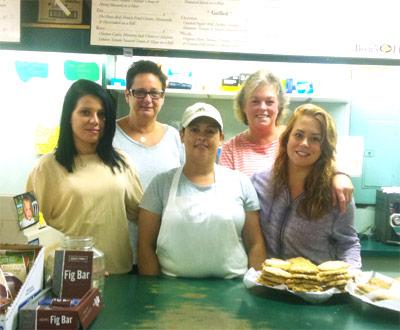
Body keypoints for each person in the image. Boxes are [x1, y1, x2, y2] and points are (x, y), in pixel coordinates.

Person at [26, 79, 143, 274]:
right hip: (69, 278)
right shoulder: (45, 167)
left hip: (118, 274)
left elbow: (142, 214)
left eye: (102, 114)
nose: (95, 120)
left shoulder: (122, 162)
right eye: (85, 112)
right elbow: (28, 227)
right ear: (69, 117)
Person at [138, 102, 267, 278]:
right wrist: (152, 291)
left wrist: (255, 288)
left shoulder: (241, 183)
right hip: (173, 292)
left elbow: (255, 244)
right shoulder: (161, 184)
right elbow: (145, 245)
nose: (202, 137)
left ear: (221, 138)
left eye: (210, 131)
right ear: (182, 135)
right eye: (194, 130)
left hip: (232, 291)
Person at [219, 69, 354, 213]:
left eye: (270, 102)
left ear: (279, 106)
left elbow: (326, 160)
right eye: (255, 101)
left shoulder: (294, 140)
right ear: (243, 106)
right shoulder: (231, 149)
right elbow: (227, 198)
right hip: (245, 231)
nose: (263, 107)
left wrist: (340, 175)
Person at [251, 104, 361, 268]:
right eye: (298, 135)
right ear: (287, 138)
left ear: (324, 147)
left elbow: (348, 244)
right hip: (272, 284)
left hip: (317, 288)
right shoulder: (260, 183)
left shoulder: (336, 194)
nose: (304, 143)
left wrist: (352, 276)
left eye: (315, 139)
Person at [113, 60, 185, 267]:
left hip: (163, 250)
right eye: (140, 92)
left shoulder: (173, 137)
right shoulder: (109, 135)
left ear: (163, 97)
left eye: (155, 93)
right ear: (127, 95)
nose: (147, 99)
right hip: (118, 249)